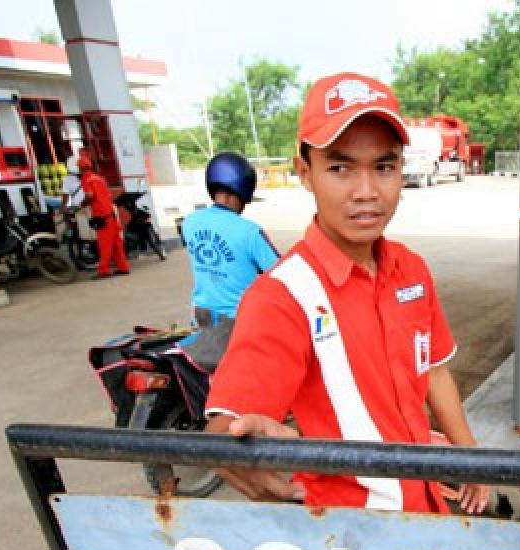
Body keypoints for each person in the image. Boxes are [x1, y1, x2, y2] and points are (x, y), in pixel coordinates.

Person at [204, 72, 488, 515]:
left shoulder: (411, 270)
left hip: (430, 508)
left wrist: (472, 459)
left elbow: (433, 372)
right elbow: (229, 422)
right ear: (305, 173)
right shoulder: (283, 296)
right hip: (351, 536)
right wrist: (234, 446)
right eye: (340, 167)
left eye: (384, 167)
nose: (366, 192)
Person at [178, 152, 280, 370]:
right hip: (241, 326)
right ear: (244, 188)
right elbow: (282, 272)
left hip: (200, 319)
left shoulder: (190, 223)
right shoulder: (250, 232)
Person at [78, 156, 130, 279]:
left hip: (102, 217)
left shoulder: (86, 179)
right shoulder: (99, 178)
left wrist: (83, 203)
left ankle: (104, 270)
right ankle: (123, 267)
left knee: (104, 245)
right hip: (111, 214)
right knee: (117, 244)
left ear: (80, 168)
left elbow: (90, 195)